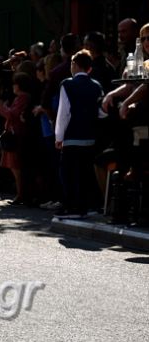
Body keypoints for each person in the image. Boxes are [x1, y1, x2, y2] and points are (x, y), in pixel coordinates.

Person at [54, 49, 104, 219]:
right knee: (86, 174)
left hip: (72, 136)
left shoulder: (67, 84)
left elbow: (64, 114)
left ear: (74, 65)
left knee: (68, 174)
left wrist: (59, 137)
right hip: (89, 137)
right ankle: (89, 206)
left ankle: (72, 207)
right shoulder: (96, 86)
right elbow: (101, 112)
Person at [0, 73, 33, 205]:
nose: (13, 86)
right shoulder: (20, 98)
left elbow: (12, 114)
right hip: (16, 132)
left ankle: (21, 194)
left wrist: (0, 106)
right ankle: (21, 193)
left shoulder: (23, 97)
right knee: (15, 167)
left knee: (16, 166)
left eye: (15, 83)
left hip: (17, 134)